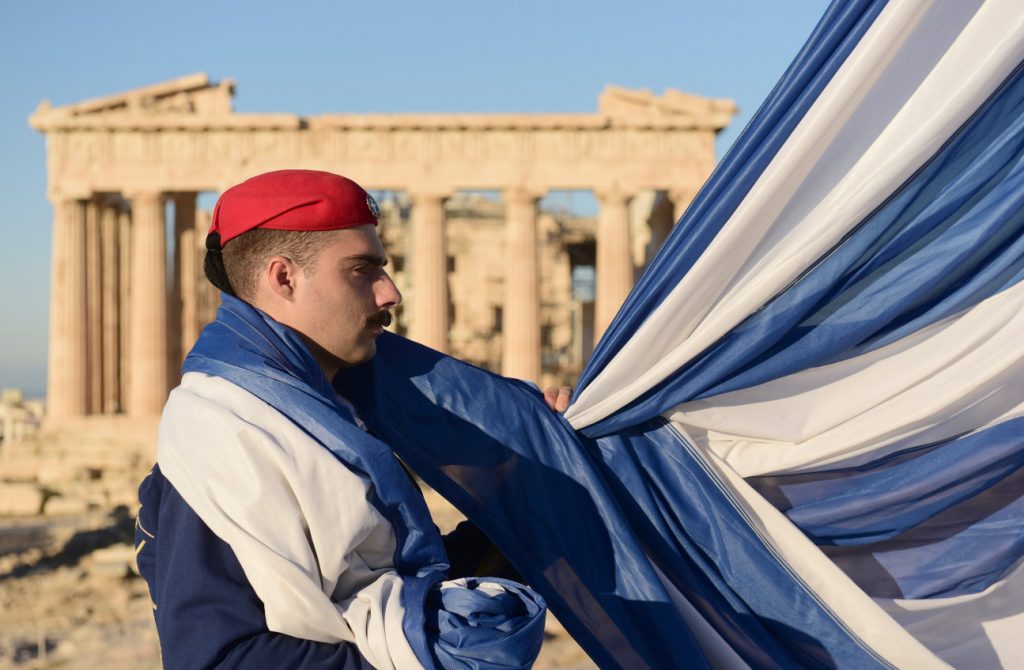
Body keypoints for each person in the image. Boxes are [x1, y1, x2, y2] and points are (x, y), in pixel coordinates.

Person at [135, 170, 563, 669]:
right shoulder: (225, 435)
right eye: (363, 270)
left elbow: (381, 588)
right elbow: (220, 657)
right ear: (284, 278)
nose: (391, 293)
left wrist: (540, 489)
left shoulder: (324, 417)